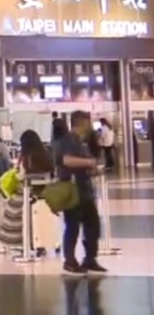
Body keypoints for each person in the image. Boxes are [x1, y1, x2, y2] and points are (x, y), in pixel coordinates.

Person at [54, 110, 107, 275]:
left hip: (85, 189)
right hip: (73, 189)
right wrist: (89, 162)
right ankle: (69, 260)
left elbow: (84, 163)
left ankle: (90, 258)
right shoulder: (68, 140)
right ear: (80, 122)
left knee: (93, 225)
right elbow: (66, 160)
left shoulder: (81, 142)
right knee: (73, 225)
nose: (89, 125)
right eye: (87, 122)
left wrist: (92, 169)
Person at [0, 129, 55, 248]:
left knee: (11, 207)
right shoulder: (46, 156)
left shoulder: (26, 158)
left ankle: (16, 241)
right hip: (44, 193)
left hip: (27, 193)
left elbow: (21, 176)